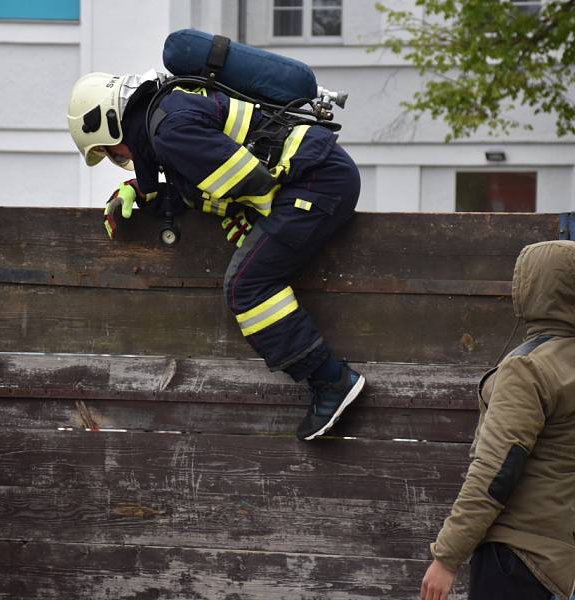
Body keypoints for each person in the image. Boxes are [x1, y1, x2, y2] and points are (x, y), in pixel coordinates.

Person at [67, 70, 365, 441]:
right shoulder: (167, 117)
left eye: (112, 153)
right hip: (315, 175)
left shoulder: (170, 132)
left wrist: (246, 214)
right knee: (247, 280)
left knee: (247, 286)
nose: (120, 158)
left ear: (113, 126)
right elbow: (205, 186)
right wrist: (140, 193)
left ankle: (331, 381)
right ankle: (330, 380)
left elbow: (246, 182)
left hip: (317, 181)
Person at [421, 240, 575, 600]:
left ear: (530, 287)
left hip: (518, 561)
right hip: (563, 563)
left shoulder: (530, 368)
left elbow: (496, 470)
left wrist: (446, 557)